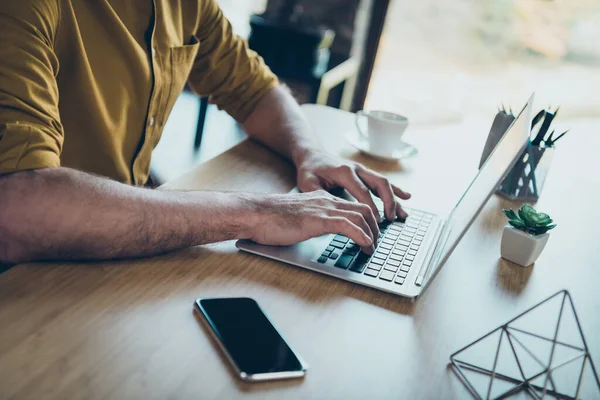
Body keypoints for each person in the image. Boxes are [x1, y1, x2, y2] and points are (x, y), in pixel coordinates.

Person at [0, 0, 410, 264]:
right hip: (28, 273)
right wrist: (255, 212)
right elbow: (19, 208)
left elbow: (253, 88)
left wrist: (310, 152)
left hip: (115, 248)